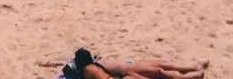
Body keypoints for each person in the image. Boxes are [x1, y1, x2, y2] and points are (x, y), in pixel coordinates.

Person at [49, 49, 209, 79]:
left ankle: (193, 69)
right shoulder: (89, 69)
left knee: (162, 65)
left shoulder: (92, 65)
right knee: (160, 71)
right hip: (124, 71)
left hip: (127, 66)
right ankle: (193, 75)